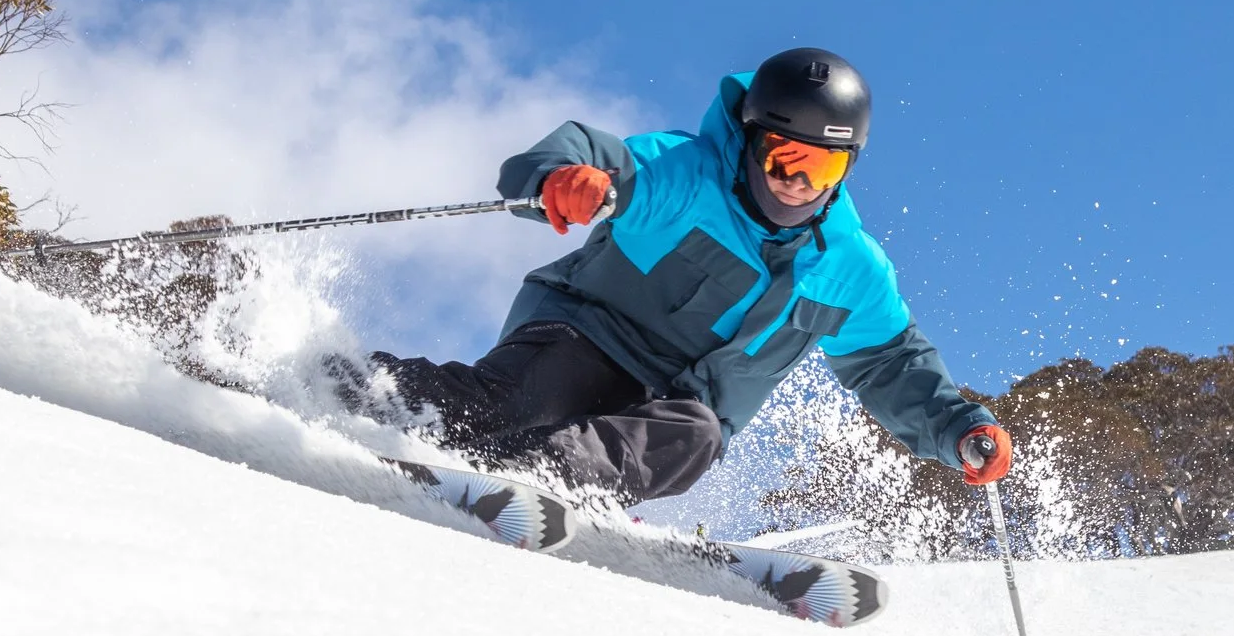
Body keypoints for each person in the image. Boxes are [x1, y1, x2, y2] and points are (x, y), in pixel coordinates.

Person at [370, 47, 1013, 505]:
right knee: (520, 401)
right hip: (585, 337)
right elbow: (588, 153)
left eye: (820, 171)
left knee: (697, 435)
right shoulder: (684, 174)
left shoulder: (850, 268)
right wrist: (561, 179)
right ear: (752, 139)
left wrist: (957, 427)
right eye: (784, 159)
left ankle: (551, 478)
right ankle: (352, 384)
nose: (795, 185)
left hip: (672, 409)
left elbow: (891, 365)